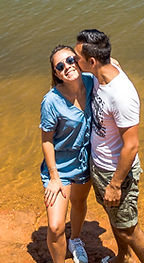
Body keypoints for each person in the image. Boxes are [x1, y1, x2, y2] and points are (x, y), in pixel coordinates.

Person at [74, 29, 144, 263]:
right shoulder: (106, 68)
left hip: (116, 172)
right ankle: (123, 258)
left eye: (76, 58)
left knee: (129, 230)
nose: (73, 61)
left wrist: (115, 184)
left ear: (91, 62)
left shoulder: (121, 95)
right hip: (100, 166)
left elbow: (131, 146)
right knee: (115, 220)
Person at [40, 45, 93, 263]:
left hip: (85, 161)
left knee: (79, 204)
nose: (67, 67)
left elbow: (107, 69)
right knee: (55, 226)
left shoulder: (91, 82)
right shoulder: (51, 101)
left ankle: (76, 240)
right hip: (60, 167)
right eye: (60, 66)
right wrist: (54, 176)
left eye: (71, 60)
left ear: (78, 60)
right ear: (56, 73)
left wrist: (115, 63)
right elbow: (46, 140)